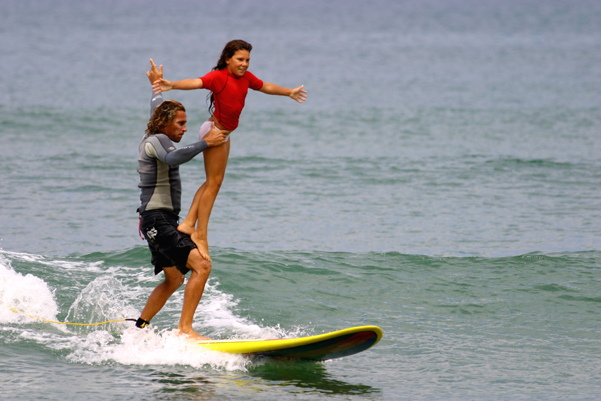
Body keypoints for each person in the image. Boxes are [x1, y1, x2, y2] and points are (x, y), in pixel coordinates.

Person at [151, 39, 307, 262]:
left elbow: (266, 87)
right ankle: (200, 234)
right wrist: (172, 85)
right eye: (240, 59)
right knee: (213, 184)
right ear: (227, 59)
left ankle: (187, 223)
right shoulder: (219, 77)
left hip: (223, 133)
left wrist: (289, 92)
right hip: (214, 132)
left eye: (248, 60)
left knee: (212, 182)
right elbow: (196, 82)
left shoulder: (246, 78)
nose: (244, 64)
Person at [135, 61, 227, 340]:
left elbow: (157, 108)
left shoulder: (157, 129)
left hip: (156, 220)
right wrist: (205, 143)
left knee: (174, 278)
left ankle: (138, 329)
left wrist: (156, 86)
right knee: (202, 265)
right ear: (165, 124)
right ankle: (185, 329)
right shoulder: (155, 141)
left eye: (187, 123)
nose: (185, 129)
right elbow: (174, 157)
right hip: (157, 219)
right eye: (181, 123)